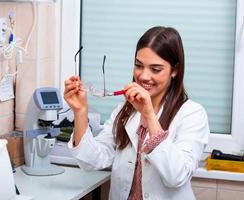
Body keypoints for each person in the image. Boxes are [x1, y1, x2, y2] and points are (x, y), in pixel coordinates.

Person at [64, 26, 210, 200]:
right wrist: (80, 112)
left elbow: (176, 176)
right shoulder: (124, 111)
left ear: (175, 70)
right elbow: (92, 160)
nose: (144, 76)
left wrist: (149, 116)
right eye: (138, 66)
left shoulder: (192, 114)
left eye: (155, 69)